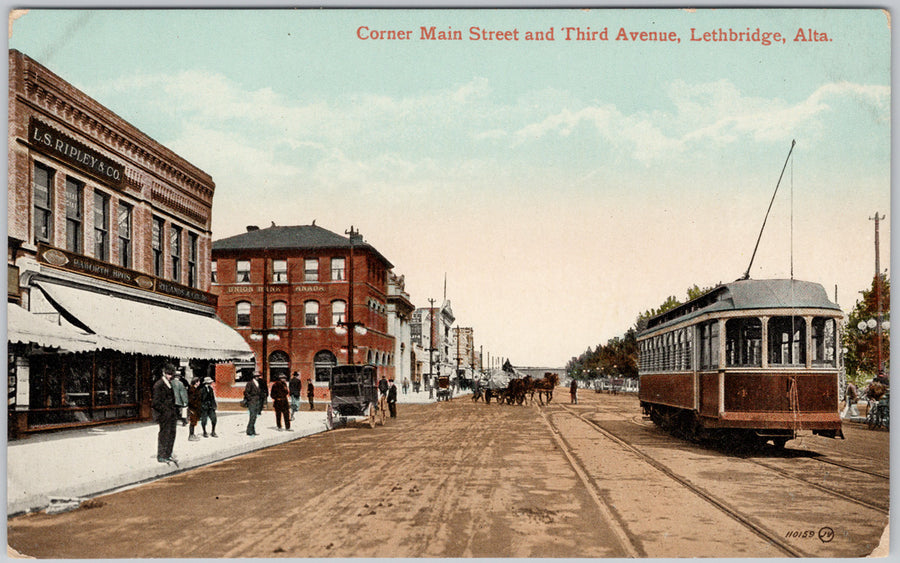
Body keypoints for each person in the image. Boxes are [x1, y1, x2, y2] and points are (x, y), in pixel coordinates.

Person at [152, 364, 178, 465]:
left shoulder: (169, 383)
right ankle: (161, 455)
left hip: (172, 415)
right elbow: (155, 403)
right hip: (164, 415)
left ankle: (168, 454)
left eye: (172, 374)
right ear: (164, 372)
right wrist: (166, 411)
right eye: (169, 374)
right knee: (164, 435)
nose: (170, 376)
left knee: (172, 434)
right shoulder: (159, 385)